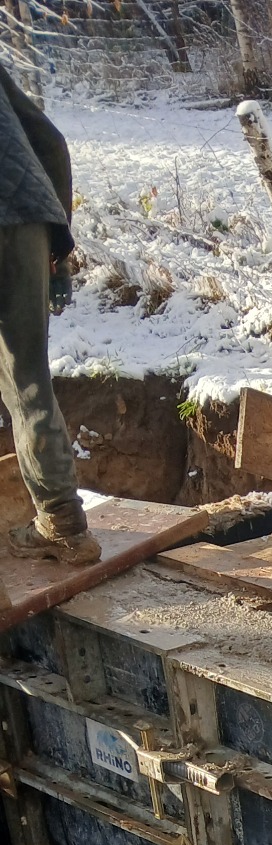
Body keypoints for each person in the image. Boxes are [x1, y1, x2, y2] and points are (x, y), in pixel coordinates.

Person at [0, 62, 99, 565]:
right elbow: (51, 143)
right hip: (25, 220)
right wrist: (57, 243)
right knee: (28, 380)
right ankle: (64, 524)